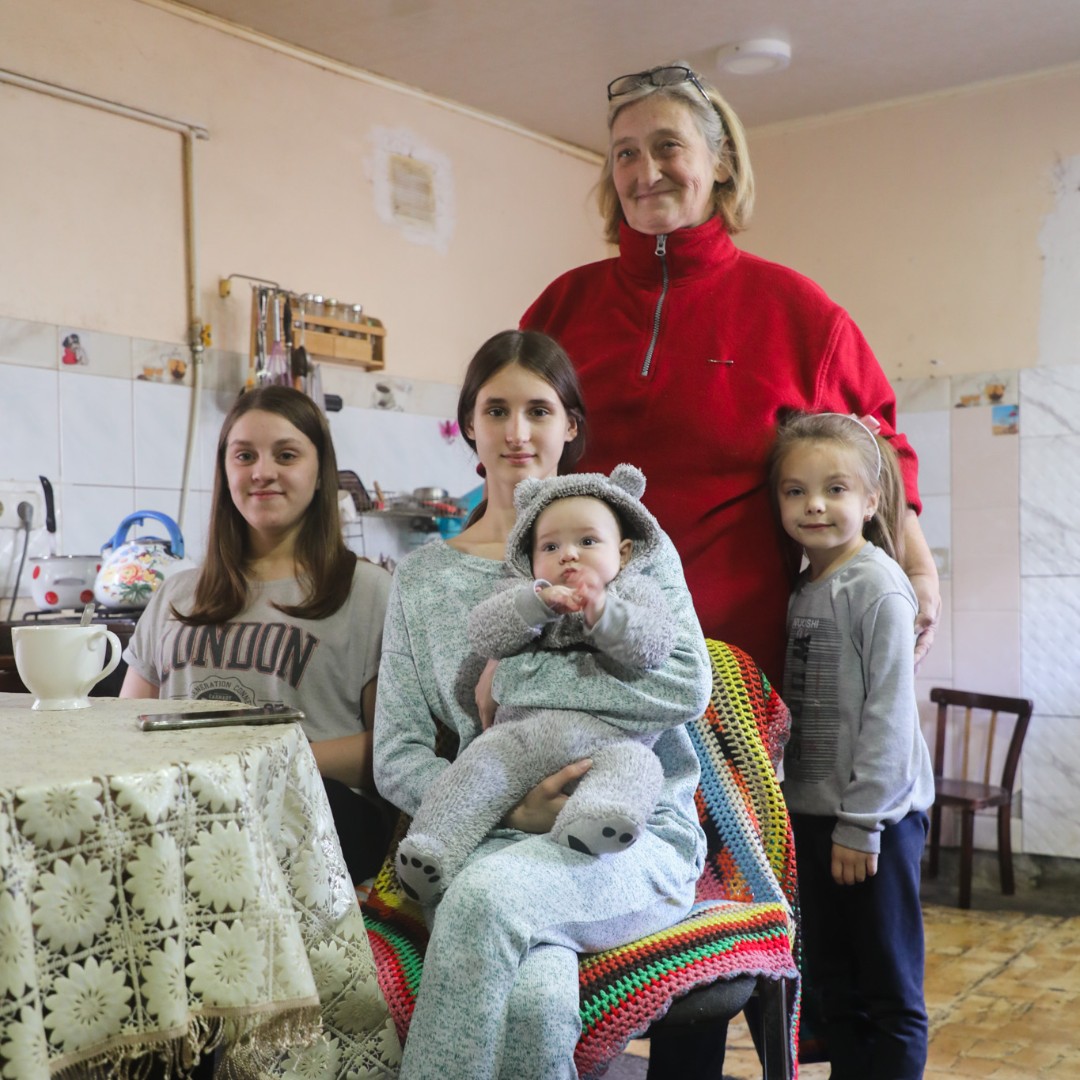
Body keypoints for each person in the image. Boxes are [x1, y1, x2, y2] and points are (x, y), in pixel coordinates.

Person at [521, 61, 941, 692]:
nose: (644, 171)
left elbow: (880, 447)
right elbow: (510, 471)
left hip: (735, 670)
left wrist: (921, 573)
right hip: (575, 666)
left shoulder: (797, 311)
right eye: (625, 153)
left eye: (668, 147)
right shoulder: (560, 309)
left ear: (719, 162)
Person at [373, 329, 711, 1080]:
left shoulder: (635, 554)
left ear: (571, 426)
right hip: (482, 831)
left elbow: (687, 688)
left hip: (635, 832)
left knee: (490, 902)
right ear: (468, 423)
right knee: (533, 1007)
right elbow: (395, 752)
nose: (517, 432)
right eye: (496, 410)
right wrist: (511, 807)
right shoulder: (424, 579)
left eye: (538, 410)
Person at [121, 385, 395, 884]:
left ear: (319, 474)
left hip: (316, 817)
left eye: (285, 455)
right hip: (181, 815)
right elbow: (126, 726)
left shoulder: (371, 593)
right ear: (226, 473)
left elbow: (392, 748)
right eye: (244, 455)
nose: (262, 471)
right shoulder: (177, 595)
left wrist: (255, 761)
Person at [396, 462, 687, 905]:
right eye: (551, 546)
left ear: (623, 553)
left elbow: (653, 646)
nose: (569, 555)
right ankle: (433, 850)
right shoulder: (527, 598)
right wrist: (534, 607)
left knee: (639, 770)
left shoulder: (637, 593)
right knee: (479, 763)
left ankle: (593, 824)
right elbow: (483, 632)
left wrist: (603, 613)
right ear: (531, 558)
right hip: (521, 738)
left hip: (609, 742)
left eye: (587, 542)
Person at [769, 411, 934, 1079]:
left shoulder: (877, 586)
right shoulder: (805, 588)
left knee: (888, 988)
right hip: (816, 814)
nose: (814, 504)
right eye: (795, 490)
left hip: (876, 822)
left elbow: (889, 718)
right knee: (835, 985)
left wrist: (861, 825)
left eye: (836, 489)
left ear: (871, 501)